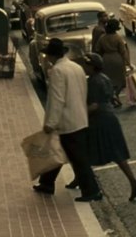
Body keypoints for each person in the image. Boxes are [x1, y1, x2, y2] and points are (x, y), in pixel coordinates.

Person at [33, 38, 102, 202]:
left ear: (51, 56)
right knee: (57, 152)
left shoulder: (57, 71)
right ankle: (47, 182)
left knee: (77, 159)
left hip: (66, 122)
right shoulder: (76, 67)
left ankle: (91, 190)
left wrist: (50, 123)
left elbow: (57, 99)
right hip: (79, 118)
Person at [80, 53, 136, 201]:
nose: (84, 67)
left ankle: (87, 184)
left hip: (100, 120)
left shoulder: (93, 82)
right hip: (110, 118)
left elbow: (94, 105)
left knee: (86, 151)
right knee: (117, 153)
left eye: (86, 65)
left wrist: (80, 114)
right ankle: (132, 181)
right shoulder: (104, 77)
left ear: (91, 66)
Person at [94, 18, 132, 107]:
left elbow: (97, 49)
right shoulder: (118, 38)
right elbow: (123, 51)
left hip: (106, 59)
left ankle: (113, 97)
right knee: (121, 81)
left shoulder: (102, 37)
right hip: (117, 59)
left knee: (109, 81)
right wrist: (128, 63)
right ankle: (116, 95)